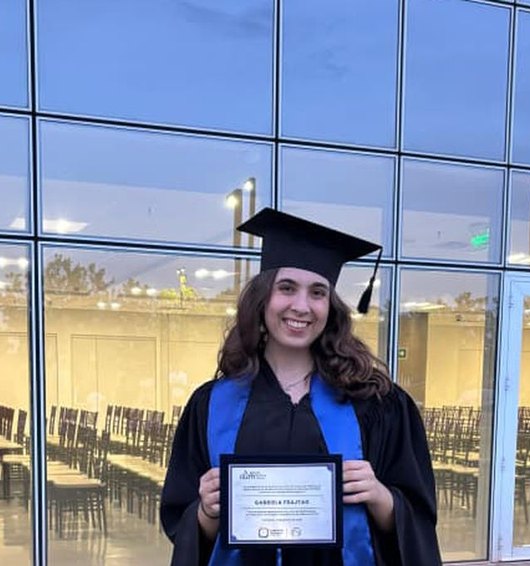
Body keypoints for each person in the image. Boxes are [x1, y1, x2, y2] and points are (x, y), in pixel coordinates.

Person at [160, 208, 441, 565]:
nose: (301, 306)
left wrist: (379, 495)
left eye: (318, 292)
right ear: (263, 299)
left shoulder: (376, 402)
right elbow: (185, 526)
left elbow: (416, 522)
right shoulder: (212, 404)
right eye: (287, 288)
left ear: (331, 306)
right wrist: (207, 510)